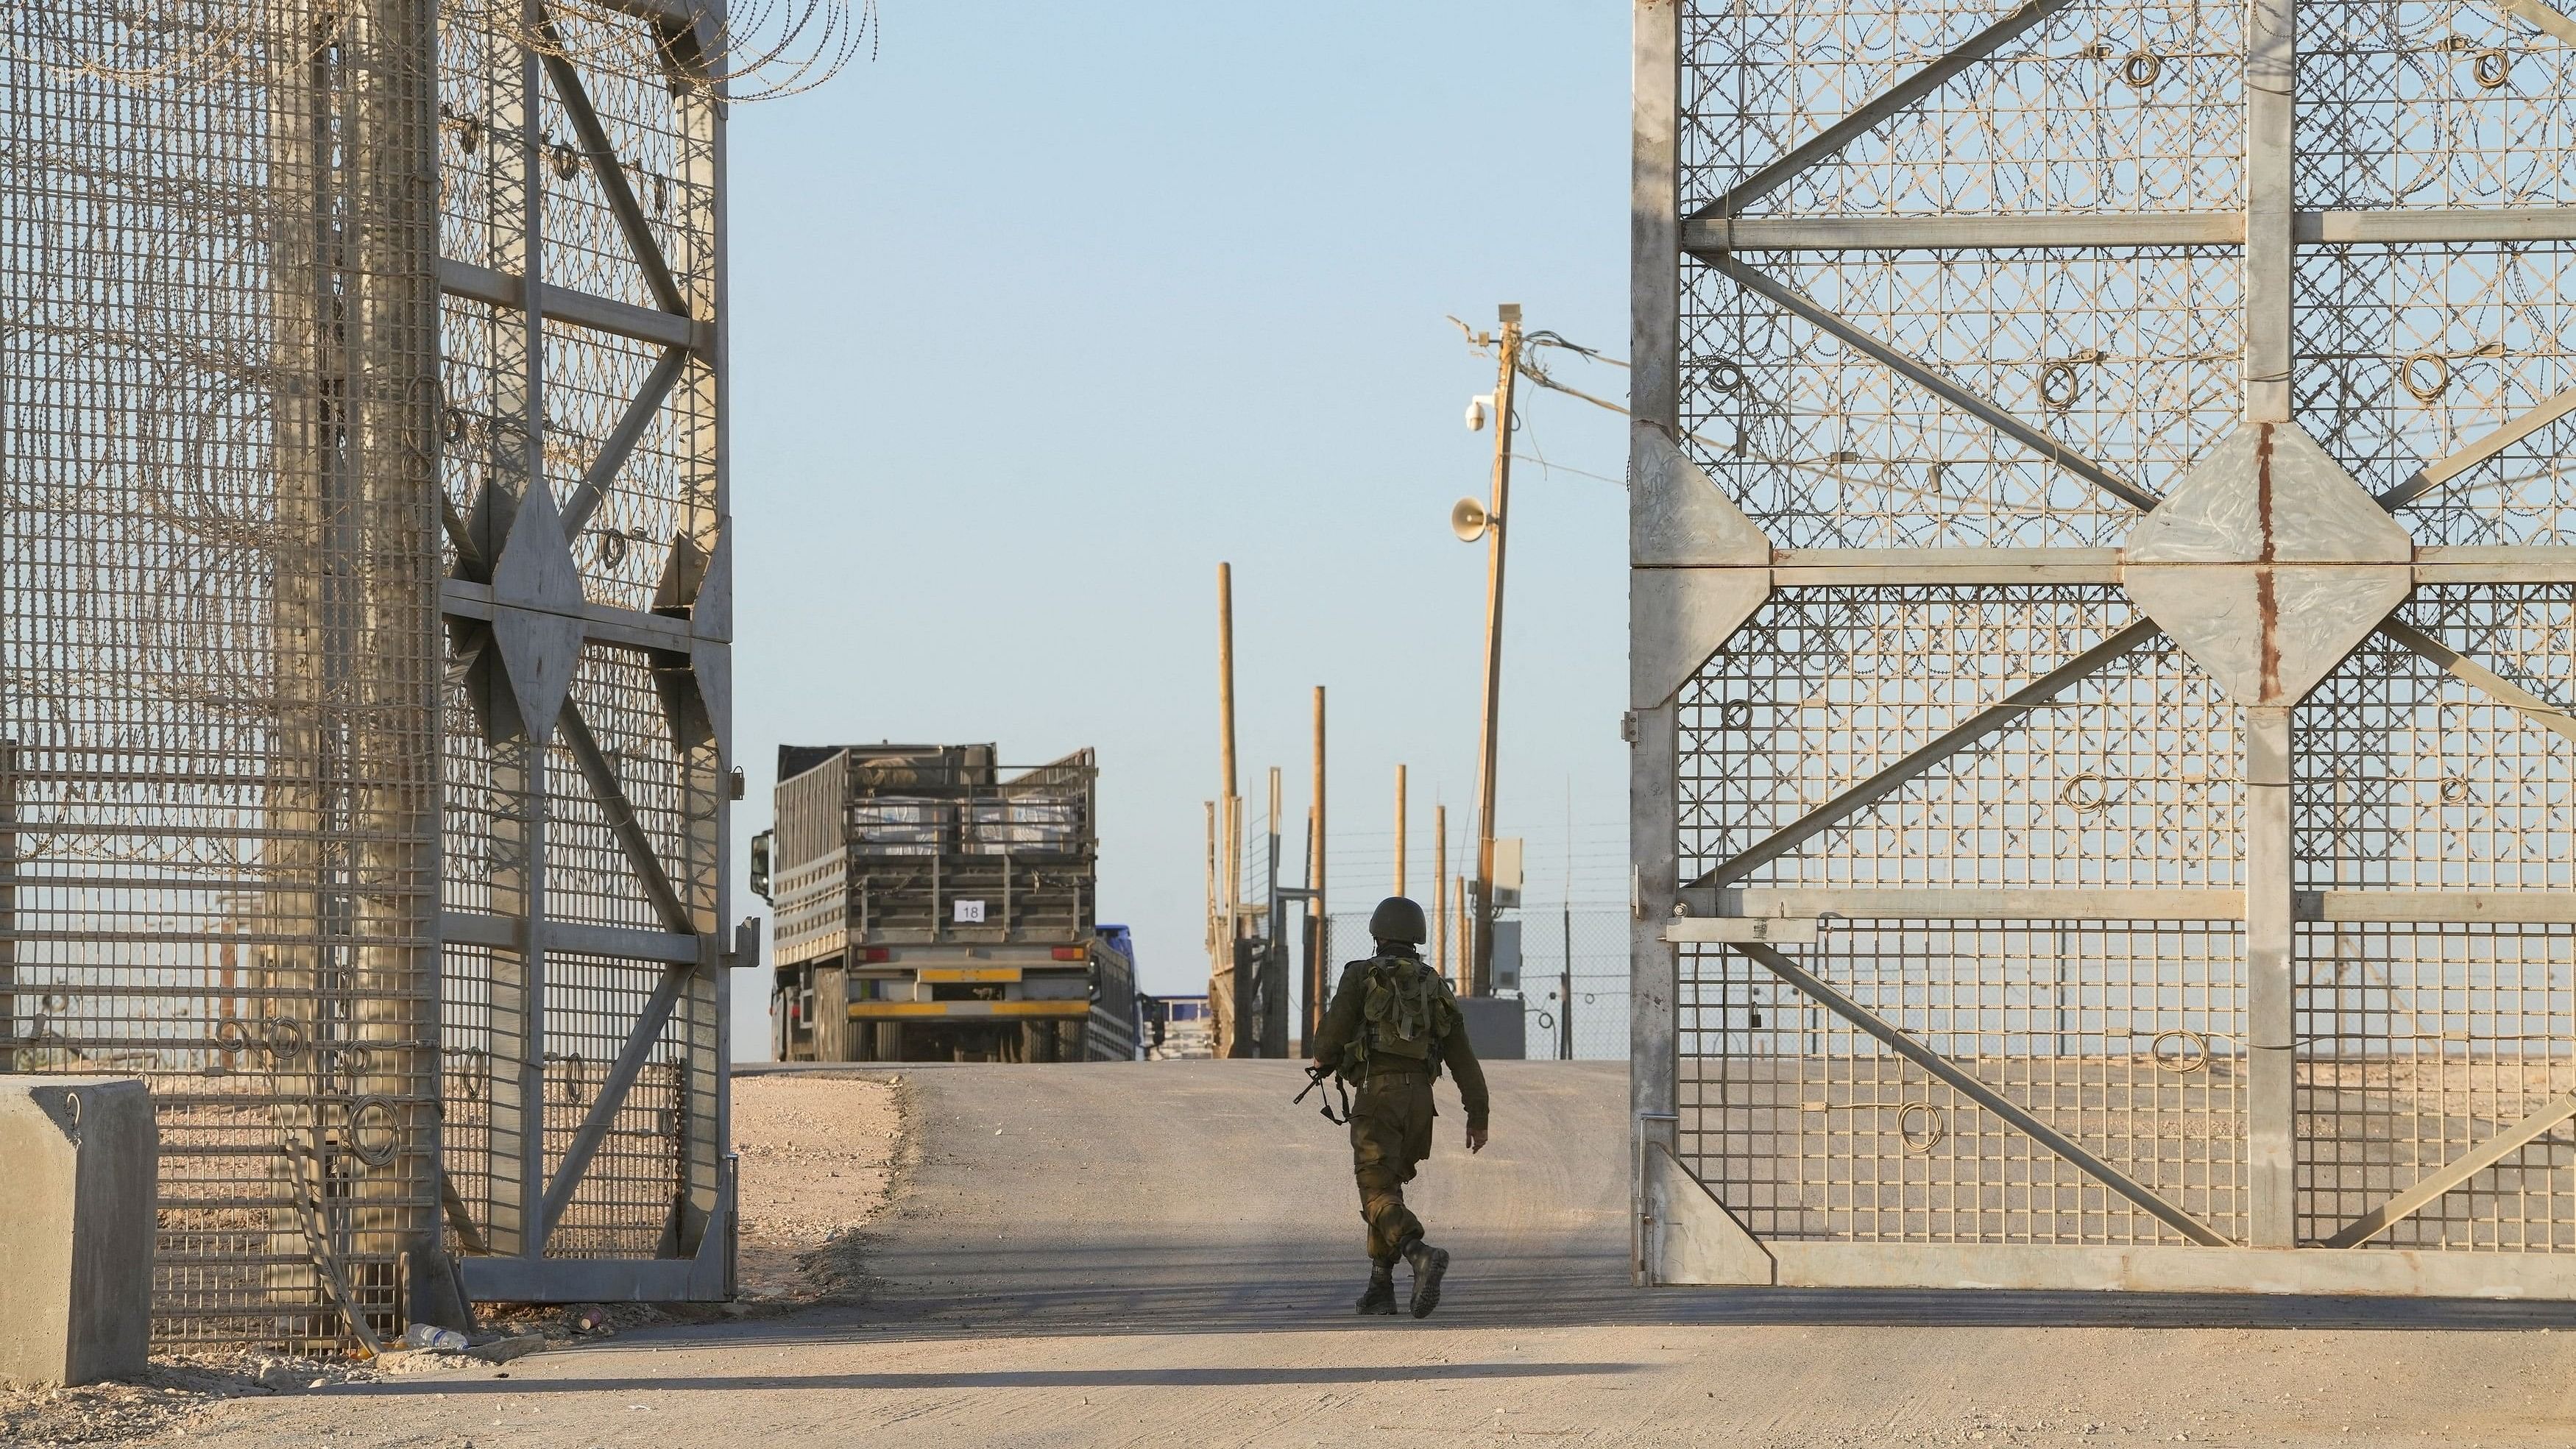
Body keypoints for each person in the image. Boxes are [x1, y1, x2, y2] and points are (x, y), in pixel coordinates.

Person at [1308, 895, 1490, 1319]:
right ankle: (1380, 1286)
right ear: (1417, 938)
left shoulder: (1360, 975)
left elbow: (1330, 1037)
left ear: (1377, 935)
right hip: (1420, 1104)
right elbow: (1462, 1057)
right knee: (1388, 1187)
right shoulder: (1435, 986)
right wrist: (1477, 1117)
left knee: (1374, 1190)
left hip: (1379, 1095)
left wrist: (1322, 1061)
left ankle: (1418, 1251)